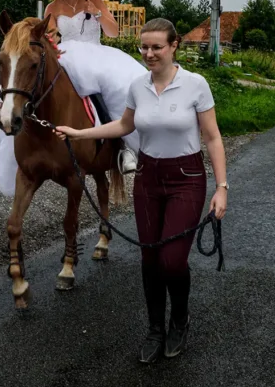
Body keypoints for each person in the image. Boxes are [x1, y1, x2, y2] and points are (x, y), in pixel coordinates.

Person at [55, 18, 227, 363]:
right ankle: (154, 329)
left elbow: (212, 137)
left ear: (174, 45)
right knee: (149, 260)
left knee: (172, 261)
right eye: (144, 47)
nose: (149, 54)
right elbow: (124, 125)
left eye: (156, 47)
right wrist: (78, 133)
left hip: (186, 177)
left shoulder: (196, 85)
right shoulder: (137, 86)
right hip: (148, 178)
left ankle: (180, 319)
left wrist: (222, 187)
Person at [0, 0, 143, 196]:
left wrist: (98, 14)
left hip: (97, 54)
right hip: (67, 54)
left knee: (116, 87)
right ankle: (21, 141)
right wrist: (53, 42)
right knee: (31, 86)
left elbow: (113, 33)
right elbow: (49, 39)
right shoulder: (53, 8)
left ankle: (122, 147)